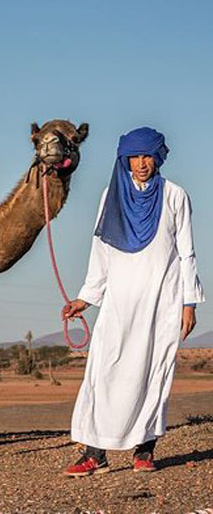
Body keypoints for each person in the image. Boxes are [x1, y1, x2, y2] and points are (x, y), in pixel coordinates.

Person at [62, 127, 204, 477]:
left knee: (153, 373)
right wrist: (87, 296)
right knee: (104, 370)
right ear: (124, 159)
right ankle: (95, 453)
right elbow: (101, 249)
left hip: (162, 301)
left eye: (147, 156)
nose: (142, 164)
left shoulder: (175, 195)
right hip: (119, 301)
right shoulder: (111, 195)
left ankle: (145, 450)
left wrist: (189, 302)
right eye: (135, 157)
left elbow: (186, 252)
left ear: (159, 157)